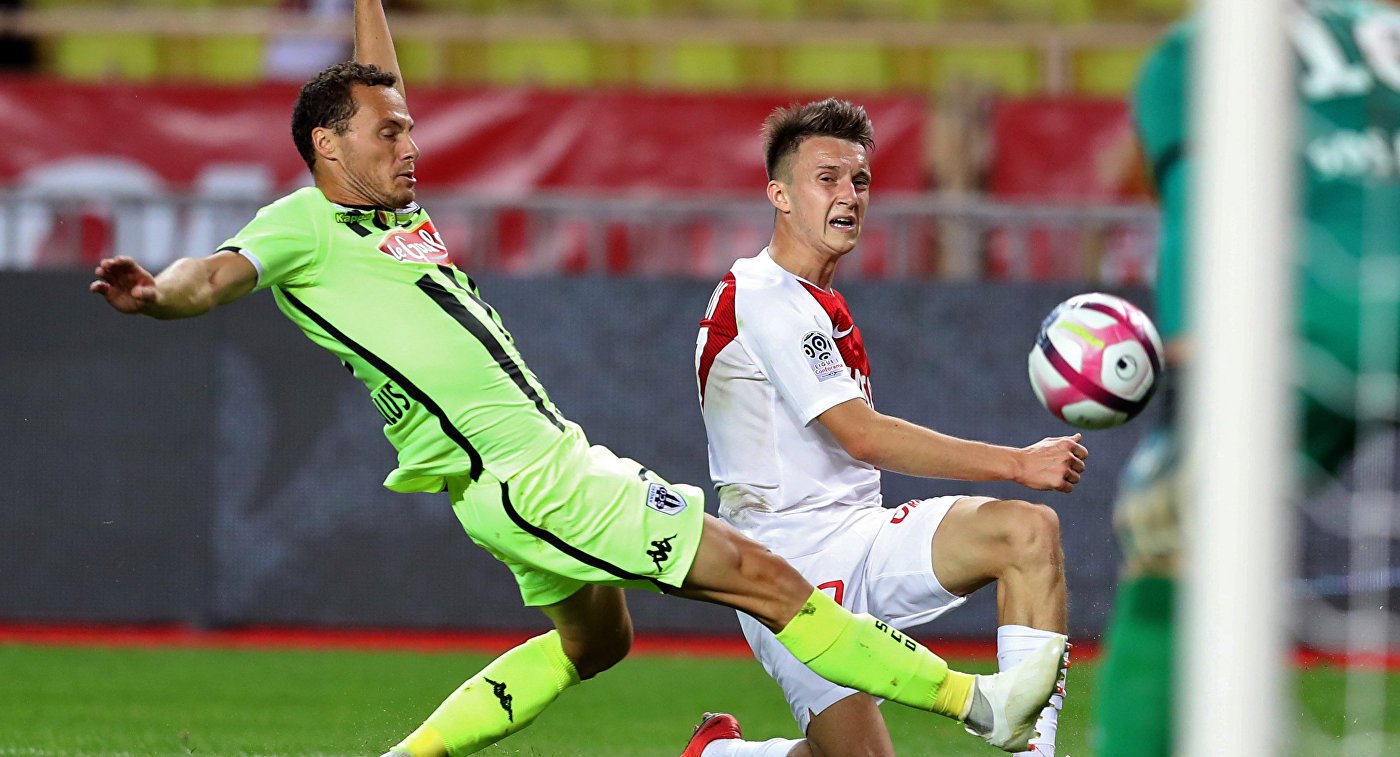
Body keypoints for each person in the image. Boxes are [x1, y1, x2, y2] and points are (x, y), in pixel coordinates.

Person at [88, 3, 1067, 756]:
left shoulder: (393, 210)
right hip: (534, 476)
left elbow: (378, 81)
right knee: (768, 579)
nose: (409, 144)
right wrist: (157, 294)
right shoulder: (301, 223)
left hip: (523, 473)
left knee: (596, 643)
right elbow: (211, 276)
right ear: (325, 148)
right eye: (388, 134)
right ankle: (976, 702)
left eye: (408, 129)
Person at [683, 98, 1086, 757]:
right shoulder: (762, 295)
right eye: (827, 178)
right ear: (779, 195)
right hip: (783, 570)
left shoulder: (816, 299)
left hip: (861, 534)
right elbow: (862, 435)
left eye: (860, 180)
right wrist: (1017, 462)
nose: (849, 194)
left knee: (1026, 532)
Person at [1093, 2, 1400, 754]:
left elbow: (1200, 210)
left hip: (1318, 319)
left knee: (1172, 532)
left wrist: (1193, 383)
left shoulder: (1205, 49)